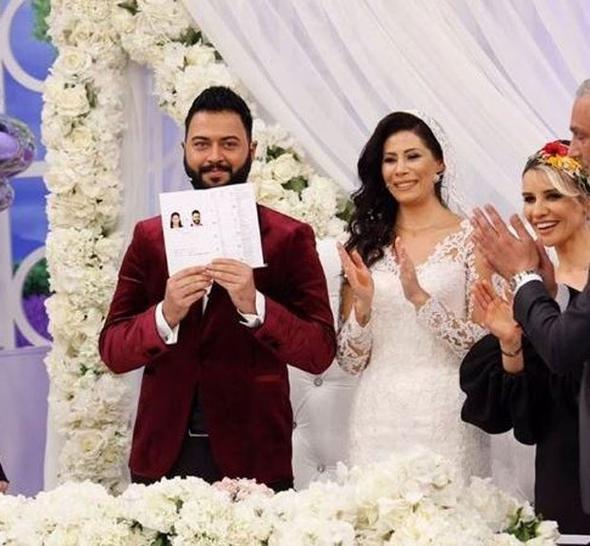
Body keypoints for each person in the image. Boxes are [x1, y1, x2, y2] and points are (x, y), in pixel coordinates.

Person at [99, 86, 336, 491]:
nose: (214, 157)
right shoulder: (150, 238)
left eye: (229, 144)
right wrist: (165, 314)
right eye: (201, 144)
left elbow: (318, 353)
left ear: (252, 149)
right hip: (162, 457)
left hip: (256, 457)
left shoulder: (289, 238)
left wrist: (256, 305)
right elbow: (113, 351)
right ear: (184, 150)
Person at [336, 111, 490, 482]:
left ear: (439, 164)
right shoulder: (365, 246)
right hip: (377, 415)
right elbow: (350, 362)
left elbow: (483, 348)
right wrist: (363, 307)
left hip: (446, 412)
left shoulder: (473, 239)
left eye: (413, 156)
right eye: (390, 160)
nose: (400, 169)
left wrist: (421, 299)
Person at [470, 80, 590, 515]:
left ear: (585, 203)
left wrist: (524, 279)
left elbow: (563, 347)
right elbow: (525, 420)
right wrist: (511, 345)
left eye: (553, 195)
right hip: (560, 475)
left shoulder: (533, 286)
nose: (538, 210)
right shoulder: (537, 288)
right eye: (528, 198)